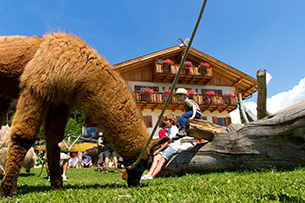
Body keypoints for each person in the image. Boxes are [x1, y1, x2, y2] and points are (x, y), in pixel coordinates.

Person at [141, 113, 180, 180]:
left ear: (172, 121)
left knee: (161, 160)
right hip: (169, 147)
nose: (165, 122)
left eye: (167, 120)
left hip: (173, 147)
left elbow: (168, 142)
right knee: (156, 158)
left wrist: (158, 150)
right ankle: (149, 174)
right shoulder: (170, 129)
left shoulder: (174, 129)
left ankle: (152, 176)